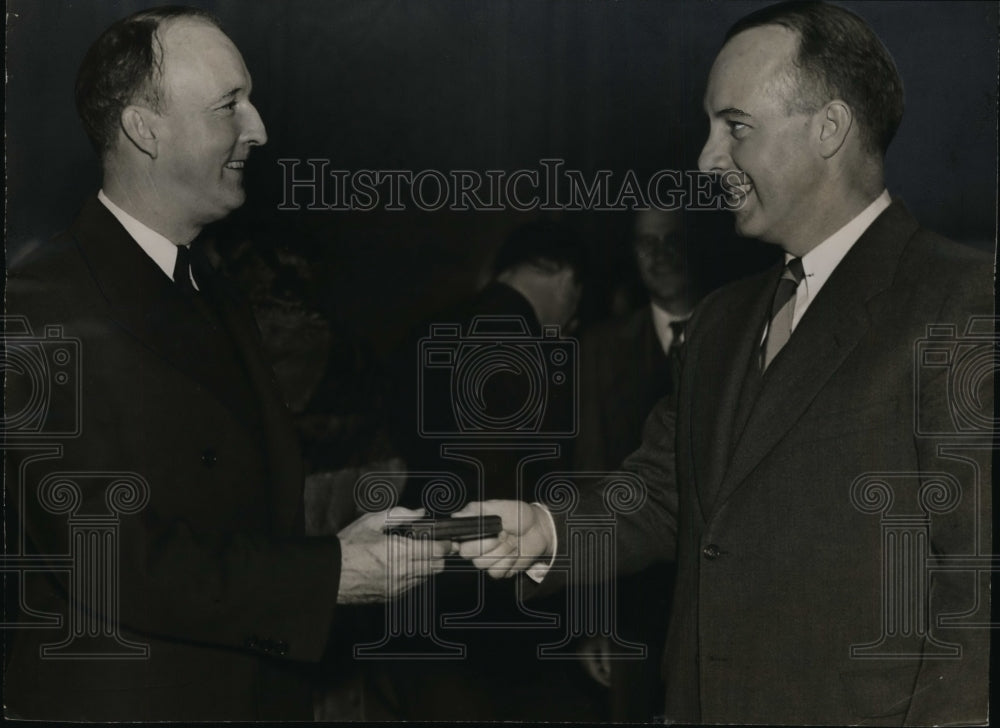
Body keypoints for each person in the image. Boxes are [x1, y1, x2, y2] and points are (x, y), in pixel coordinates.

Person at [456, 2, 992, 724]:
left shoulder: (962, 300)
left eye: (734, 127)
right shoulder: (719, 321)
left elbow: (978, 589)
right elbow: (666, 494)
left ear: (829, 130)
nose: (707, 159)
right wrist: (546, 532)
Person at [3, 7, 448, 720]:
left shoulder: (215, 289)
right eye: (229, 105)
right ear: (144, 130)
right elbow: (112, 562)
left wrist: (337, 548)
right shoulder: (36, 307)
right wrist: (326, 575)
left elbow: (227, 521)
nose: (260, 128)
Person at [572, 208, 692, 719]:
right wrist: (591, 619)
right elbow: (588, 478)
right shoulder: (599, 351)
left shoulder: (751, 330)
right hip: (631, 603)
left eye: (672, 238)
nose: (659, 254)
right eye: (646, 243)